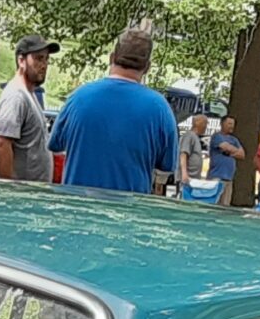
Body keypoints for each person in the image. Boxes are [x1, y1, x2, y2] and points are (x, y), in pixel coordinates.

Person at [50, 27, 178, 195]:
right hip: (127, 215)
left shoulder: (78, 98)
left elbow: (55, 144)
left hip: (78, 212)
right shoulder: (160, 109)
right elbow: (167, 165)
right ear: (147, 67)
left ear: (112, 57)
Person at [0, 36, 55, 183]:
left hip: (30, 197)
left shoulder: (28, 95)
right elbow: (0, 145)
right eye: (38, 59)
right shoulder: (16, 96)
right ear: (21, 61)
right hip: (19, 199)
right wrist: (9, 191)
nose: (44, 65)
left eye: (46, 59)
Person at [205, 108, 246, 204]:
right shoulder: (217, 136)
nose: (232, 126)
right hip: (216, 176)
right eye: (229, 124)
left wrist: (230, 151)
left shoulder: (234, 139)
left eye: (233, 124)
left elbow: (242, 154)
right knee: (213, 203)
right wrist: (234, 151)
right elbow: (225, 146)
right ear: (222, 124)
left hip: (229, 178)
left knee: (225, 205)